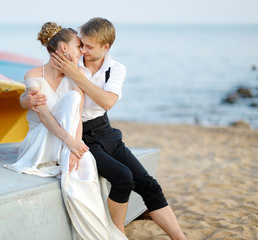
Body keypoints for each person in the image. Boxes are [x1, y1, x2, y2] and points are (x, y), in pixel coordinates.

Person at [21, 18, 186, 240]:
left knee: (149, 185)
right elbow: (44, 90)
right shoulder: (72, 61)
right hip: (83, 134)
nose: (83, 50)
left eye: (88, 46)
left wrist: (76, 74)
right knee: (123, 178)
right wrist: (25, 99)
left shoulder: (114, 69)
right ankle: (118, 235)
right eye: (81, 44)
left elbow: (107, 102)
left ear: (105, 47)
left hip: (106, 130)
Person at [5, 22, 127, 240]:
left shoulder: (77, 73)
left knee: (86, 163)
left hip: (67, 141)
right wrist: (70, 142)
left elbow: (77, 117)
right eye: (78, 46)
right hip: (41, 141)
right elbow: (43, 115)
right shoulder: (33, 74)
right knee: (71, 100)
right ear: (63, 48)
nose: (81, 51)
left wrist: (75, 146)